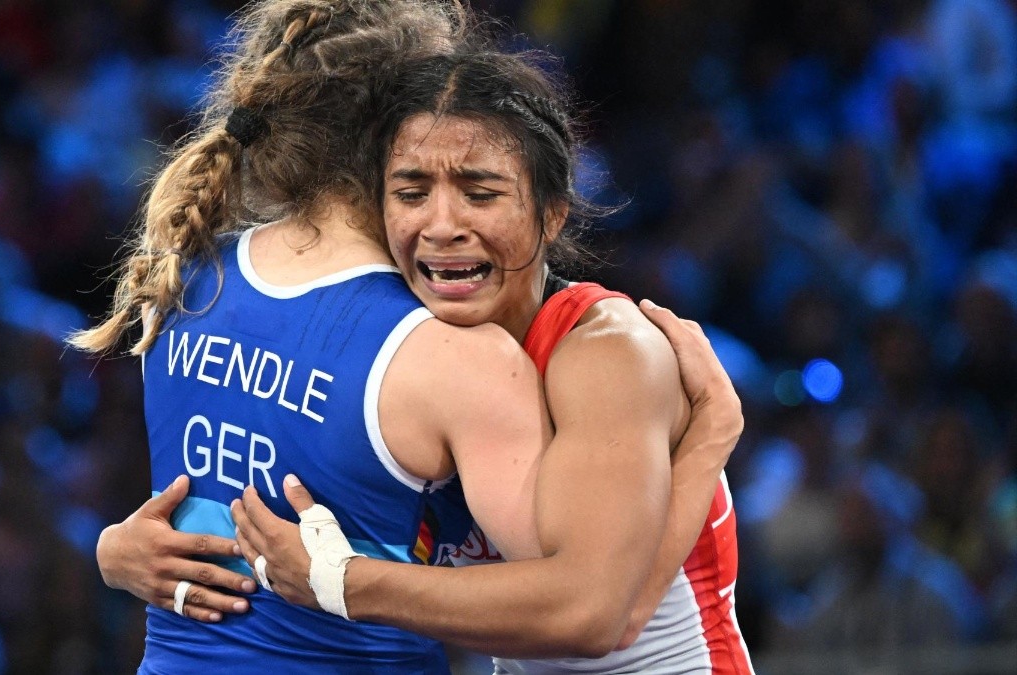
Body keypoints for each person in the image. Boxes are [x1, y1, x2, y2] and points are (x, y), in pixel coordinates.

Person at [84, 1, 742, 673]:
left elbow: (601, 614)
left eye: (480, 192)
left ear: (551, 215)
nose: (443, 223)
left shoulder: (600, 350)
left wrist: (711, 439)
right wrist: (116, 549)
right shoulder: (436, 355)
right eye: (414, 187)